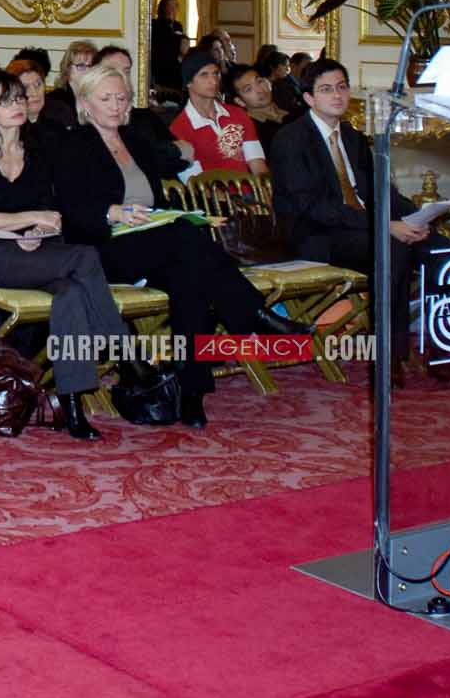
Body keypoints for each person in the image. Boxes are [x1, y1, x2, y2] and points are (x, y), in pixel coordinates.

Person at [55, 64, 299, 427]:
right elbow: (69, 209)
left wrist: (186, 214)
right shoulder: (71, 144)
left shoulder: (135, 141)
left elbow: (165, 185)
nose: (115, 105)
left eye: (121, 98)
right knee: (186, 239)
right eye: (105, 98)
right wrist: (112, 212)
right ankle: (251, 314)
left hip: (153, 244)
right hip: (103, 249)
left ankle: (191, 393)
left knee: (191, 276)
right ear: (85, 103)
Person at [0, 67, 134, 441]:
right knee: (84, 258)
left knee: (69, 294)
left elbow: (53, 210)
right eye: (5, 101)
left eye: (19, 98)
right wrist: (27, 219)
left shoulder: (38, 149)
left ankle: (71, 402)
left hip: (40, 251)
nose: (17, 106)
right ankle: (125, 351)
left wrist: (38, 228)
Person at [267, 58, 450, 388]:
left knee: (439, 246)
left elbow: (379, 188)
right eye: (326, 90)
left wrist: (417, 216)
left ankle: (442, 349)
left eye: (342, 87)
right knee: (392, 250)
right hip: (315, 235)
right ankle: (390, 356)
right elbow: (314, 207)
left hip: (361, 225)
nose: (337, 96)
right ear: (309, 98)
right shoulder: (291, 139)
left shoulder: (351, 136)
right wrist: (383, 226)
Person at [171, 50, 269, 176]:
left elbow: (258, 167)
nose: (213, 80)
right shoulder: (179, 128)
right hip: (211, 194)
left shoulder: (238, 114)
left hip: (250, 192)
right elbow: (195, 184)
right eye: (204, 75)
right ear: (189, 82)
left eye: (216, 73)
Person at [229, 62, 290, 149]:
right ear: (240, 101)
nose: (259, 90)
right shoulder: (249, 131)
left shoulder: (293, 112)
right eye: (248, 89)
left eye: (259, 81)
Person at [44, 41, 100, 133]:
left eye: (91, 66)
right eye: (81, 66)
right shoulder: (54, 101)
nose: (88, 71)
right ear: (68, 69)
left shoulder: (100, 98)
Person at [150, 0, 189, 98]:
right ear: (163, 8)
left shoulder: (178, 25)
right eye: (169, 6)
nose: (172, 9)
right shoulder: (154, 24)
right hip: (160, 65)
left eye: (175, 6)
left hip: (176, 65)